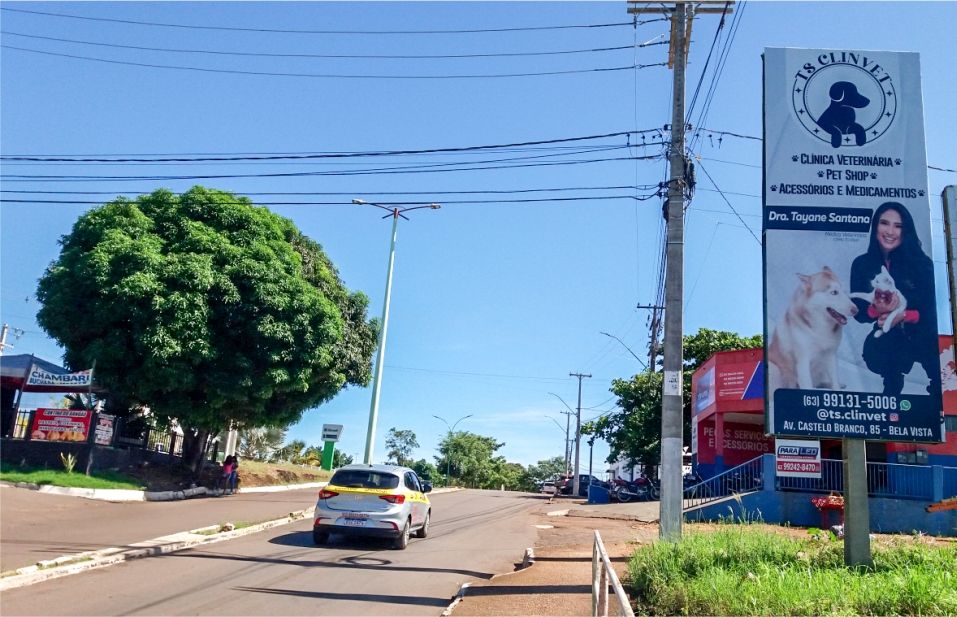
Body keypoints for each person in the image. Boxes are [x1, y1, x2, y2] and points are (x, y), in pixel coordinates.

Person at [849, 201, 939, 396]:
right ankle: (890, 401)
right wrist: (875, 311)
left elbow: (931, 311)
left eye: (898, 226)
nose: (890, 231)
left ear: (906, 230)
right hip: (888, 337)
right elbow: (858, 310)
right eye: (884, 223)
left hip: (921, 334)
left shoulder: (922, 265)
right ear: (875, 226)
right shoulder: (862, 264)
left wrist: (905, 315)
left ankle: (937, 409)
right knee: (882, 349)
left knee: (935, 362)